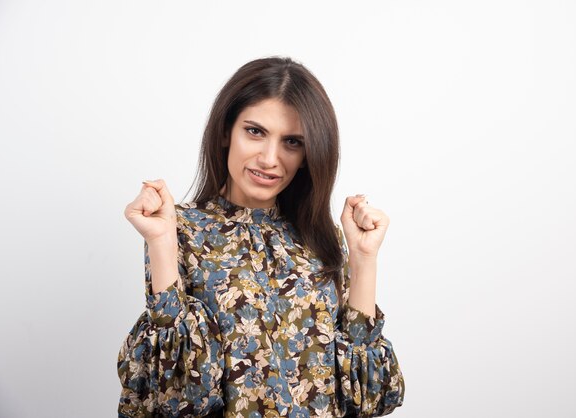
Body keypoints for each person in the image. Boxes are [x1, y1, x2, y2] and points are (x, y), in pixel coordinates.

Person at [117, 56, 405, 418]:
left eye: (292, 142)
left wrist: (364, 259)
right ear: (226, 132)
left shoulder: (321, 238)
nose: (270, 158)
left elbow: (366, 399)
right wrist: (161, 242)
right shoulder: (179, 229)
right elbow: (177, 395)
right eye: (255, 131)